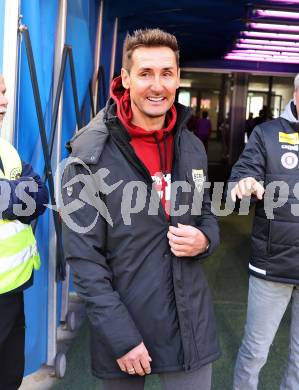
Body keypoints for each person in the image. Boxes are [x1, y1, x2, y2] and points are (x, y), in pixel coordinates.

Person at [62, 28, 220, 390]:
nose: (157, 85)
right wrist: (120, 336)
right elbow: (84, 259)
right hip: (127, 328)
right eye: (146, 73)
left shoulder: (192, 146)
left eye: (166, 73)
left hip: (189, 324)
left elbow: (206, 212)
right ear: (126, 79)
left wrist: (205, 239)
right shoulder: (89, 155)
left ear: (178, 78)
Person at [230, 73, 299, 390]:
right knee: (256, 351)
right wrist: (243, 184)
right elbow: (242, 174)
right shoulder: (267, 133)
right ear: (296, 95)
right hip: (273, 264)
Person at [0, 74, 49, 390]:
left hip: (12, 288)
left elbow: (41, 196)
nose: (4, 101)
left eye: (3, 92)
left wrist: (10, 194)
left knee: (8, 375)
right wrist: (17, 192)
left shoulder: (6, 150)